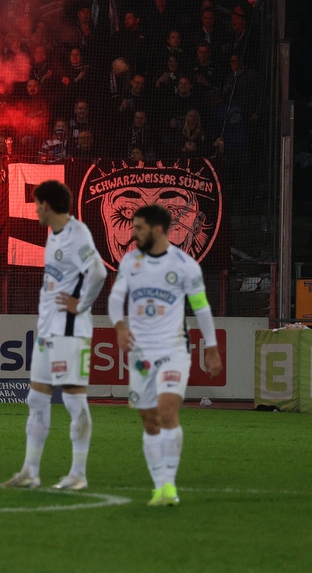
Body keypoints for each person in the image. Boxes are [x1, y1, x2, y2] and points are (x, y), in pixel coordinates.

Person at [107, 204, 222, 506]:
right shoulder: (130, 261)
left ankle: (168, 486)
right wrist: (119, 327)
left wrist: (211, 348)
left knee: (167, 412)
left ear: (157, 229)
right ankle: (159, 485)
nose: (133, 233)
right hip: (141, 353)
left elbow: (201, 307)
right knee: (148, 420)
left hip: (173, 349)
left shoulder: (184, 265)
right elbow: (116, 297)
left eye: (139, 228)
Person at [0, 180, 107, 491]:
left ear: (46, 204)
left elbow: (98, 271)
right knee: (36, 398)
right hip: (49, 331)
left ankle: (78, 474)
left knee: (74, 401)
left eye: (36, 204)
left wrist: (81, 304)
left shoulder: (77, 233)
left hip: (69, 331)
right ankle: (30, 471)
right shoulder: (55, 236)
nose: (34, 210)